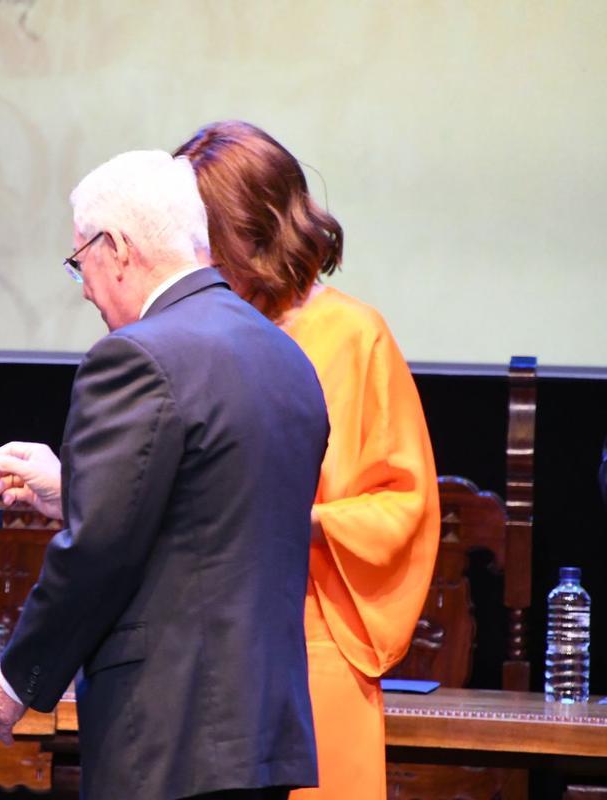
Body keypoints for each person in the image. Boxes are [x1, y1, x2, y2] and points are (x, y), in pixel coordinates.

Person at [0, 150, 331, 800]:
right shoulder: (285, 356)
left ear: (118, 248)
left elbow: (101, 550)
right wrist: (71, 492)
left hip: (168, 735)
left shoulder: (136, 357)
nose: (83, 286)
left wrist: (18, 676)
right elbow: (207, 515)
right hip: (263, 734)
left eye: (80, 260)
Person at [174, 120, 441, 800]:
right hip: (198, 648)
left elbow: (401, 505)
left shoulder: (352, 335)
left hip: (311, 636)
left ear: (256, 226)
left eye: (205, 230)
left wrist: (302, 518)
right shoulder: (189, 335)